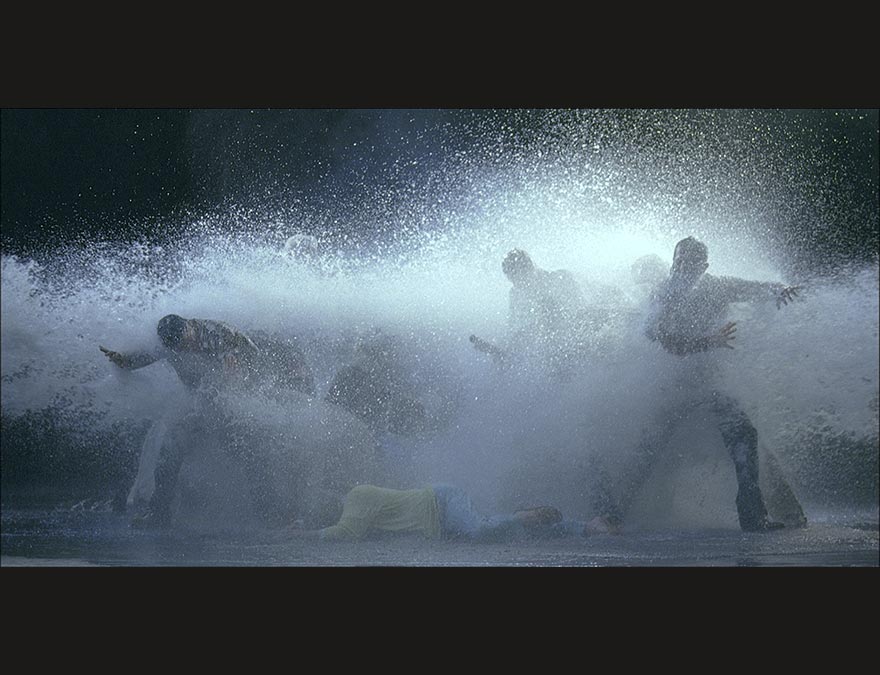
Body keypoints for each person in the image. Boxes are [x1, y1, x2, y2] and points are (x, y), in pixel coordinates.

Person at [589, 236, 804, 533]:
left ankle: (754, 516)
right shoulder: (662, 295)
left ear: (703, 267)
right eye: (679, 262)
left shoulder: (717, 286)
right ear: (673, 262)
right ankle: (611, 515)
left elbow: (751, 288)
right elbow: (668, 343)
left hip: (709, 384)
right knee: (647, 450)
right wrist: (709, 341)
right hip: (670, 388)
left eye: (691, 264)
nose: (683, 269)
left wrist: (779, 290)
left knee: (745, 437)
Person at [101, 314, 315, 528]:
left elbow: (236, 378)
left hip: (242, 402)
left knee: (248, 451)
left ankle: (270, 515)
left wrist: (217, 402)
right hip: (206, 403)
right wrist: (123, 360)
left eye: (186, 343)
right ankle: (159, 514)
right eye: (177, 347)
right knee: (171, 448)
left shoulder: (218, 335)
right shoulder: (172, 342)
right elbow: (149, 356)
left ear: (189, 327)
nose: (184, 349)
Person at [289, 483, 564, 542]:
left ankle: (525, 514)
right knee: (498, 534)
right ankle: (577, 527)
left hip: (441, 502)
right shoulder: (359, 515)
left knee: (481, 529)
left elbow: (344, 533)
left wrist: (296, 536)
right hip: (441, 524)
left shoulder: (356, 496)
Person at [472, 249, 589, 378]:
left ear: (529, 269)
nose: (516, 284)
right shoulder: (516, 294)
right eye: (511, 278)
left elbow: (582, 312)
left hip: (583, 335)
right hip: (558, 345)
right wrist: (500, 349)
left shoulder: (560, 278)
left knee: (547, 314)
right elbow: (514, 328)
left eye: (517, 277)